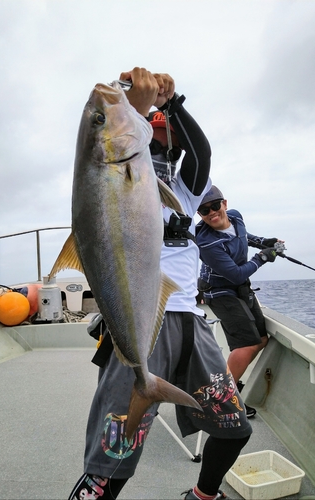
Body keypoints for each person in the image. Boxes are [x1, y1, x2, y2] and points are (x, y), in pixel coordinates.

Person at [69, 68, 252, 500]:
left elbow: (200, 152)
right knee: (112, 458)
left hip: (192, 321)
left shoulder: (185, 187)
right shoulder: (117, 171)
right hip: (140, 320)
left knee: (234, 429)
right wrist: (134, 107)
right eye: (152, 124)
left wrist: (172, 104)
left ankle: (203, 495)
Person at [195, 185, 283, 417]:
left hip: (239, 288)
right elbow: (235, 274)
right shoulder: (206, 243)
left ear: (224, 203)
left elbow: (245, 236)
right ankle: (220, 398)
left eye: (215, 206)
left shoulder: (235, 216)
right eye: (205, 211)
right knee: (247, 344)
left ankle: (228, 382)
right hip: (219, 291)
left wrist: (265, 241)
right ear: (200, 215)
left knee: (261, 338)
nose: (212, 212)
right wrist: (263, 256)